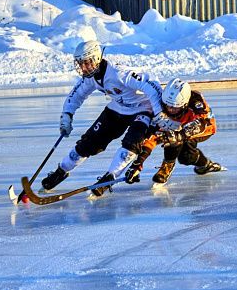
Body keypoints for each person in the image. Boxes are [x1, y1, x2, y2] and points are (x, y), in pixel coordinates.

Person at [40, 40, 178, 197]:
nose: (83, 68)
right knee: (89, 143)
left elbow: (151, 84)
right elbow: (76, 95)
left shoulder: (118, 72)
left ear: (97, 58)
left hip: (143, 109)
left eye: (87, 63)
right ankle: (61, 171)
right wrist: (67, 115)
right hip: (118, 108)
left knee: (131, 143)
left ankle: (110, 177)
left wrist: (159, 112)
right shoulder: (90, 77)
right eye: (80, 64)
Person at [124, 78, 222, 186]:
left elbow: (203, 124)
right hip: (177, 127)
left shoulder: (195, 101)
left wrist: (180, 134)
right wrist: (138, 163)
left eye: (175, 108)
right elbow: (151, 137)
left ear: (184, 104)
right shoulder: (158, 105)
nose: (170, 110)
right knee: (185, 157)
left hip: (202, 128)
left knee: (177, 141)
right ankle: (204, 165)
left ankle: (169, 164)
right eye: (168, 106)